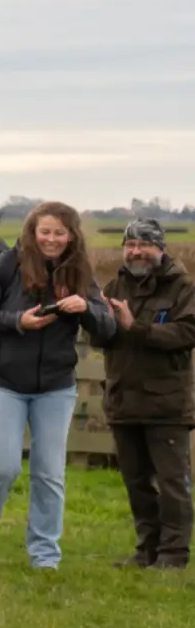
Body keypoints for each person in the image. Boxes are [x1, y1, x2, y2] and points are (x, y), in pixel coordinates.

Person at [0, 201, 116, 568]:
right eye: (44, 231)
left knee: (49, 472)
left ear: (71, 235)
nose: (51, 239)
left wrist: (87, 310)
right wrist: (18, 321)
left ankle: (45, 557)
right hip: (4, 384)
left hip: (56, 388)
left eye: (59, 233)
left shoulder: (80, 271)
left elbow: (107, 328)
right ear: (32, 231)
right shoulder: (6, 263)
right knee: (2, 467)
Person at [104, 219, 194, 569]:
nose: (136, 251)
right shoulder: (117, 284)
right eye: (130, 245)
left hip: (166, 403)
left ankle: (173, 554)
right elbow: (103, 337)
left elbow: (187, 333)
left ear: (161, 248)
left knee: (172, 484)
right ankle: (146, 549)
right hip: (123, 399)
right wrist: (94, 320)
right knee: (136, 481)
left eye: (144, 244)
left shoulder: (182, 287)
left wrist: (135, 328)